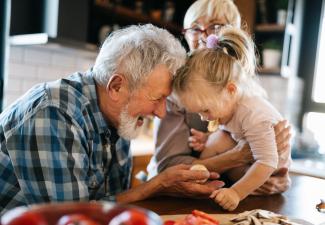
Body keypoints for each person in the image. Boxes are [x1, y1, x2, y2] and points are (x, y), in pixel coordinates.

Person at [0, 24, 225, 214]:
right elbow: (73, 217)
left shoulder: (120, 117)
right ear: (116, 86)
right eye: (157, 98)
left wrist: (161, 187)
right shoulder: (53, 114)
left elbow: (113, 203)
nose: (161, 112)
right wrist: (157, 185)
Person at [147, 0, 292, 195]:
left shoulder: (247, 92)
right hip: (177, 194)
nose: (205, 36)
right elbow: (168, 166)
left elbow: (269, 161)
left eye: (216, 26)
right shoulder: (177, 89)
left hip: (222, 192)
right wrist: (239, 155)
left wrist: (271, 177)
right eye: (195, 28)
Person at [172, 27, 291, 211]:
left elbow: (266, 162)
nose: (203, 117)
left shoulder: (254, 115)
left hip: (269, 174)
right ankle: (203, 182)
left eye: (205, 110)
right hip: (248, 161)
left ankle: (216, 185)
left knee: (219, 143)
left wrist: (236, 192)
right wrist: (206, 140)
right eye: (199, 112)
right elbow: (233, 133)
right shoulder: (229, 104)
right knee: (216, 138)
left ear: (231, 90)